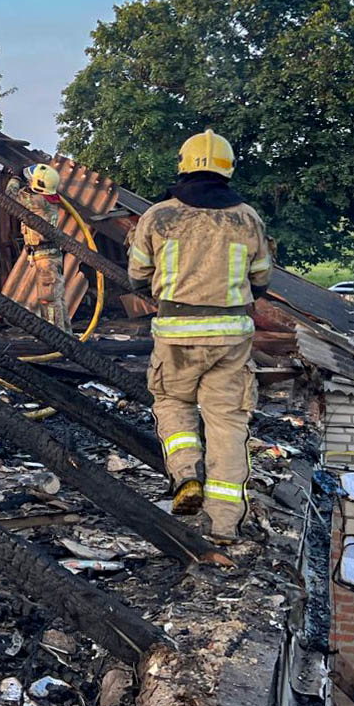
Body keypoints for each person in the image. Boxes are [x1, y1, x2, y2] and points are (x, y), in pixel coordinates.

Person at [126, 129, 272, 545]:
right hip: (231, 337)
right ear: (227, 168)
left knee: (173, 402)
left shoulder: (159, 216)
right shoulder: (247, 218)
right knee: (227, 423)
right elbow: (261, 277)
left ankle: (187, 473)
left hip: (176, 332)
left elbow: (138, 274)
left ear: (184, 165)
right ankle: (224, 524)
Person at [5, 163, 70, 332]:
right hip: (50, 255)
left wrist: (15, 178)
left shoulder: (37, 201)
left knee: (48, 300)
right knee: (57, 299)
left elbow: (10, 195)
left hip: (45, 259)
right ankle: (66, 338)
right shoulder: (49, 198)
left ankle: (56, 340)